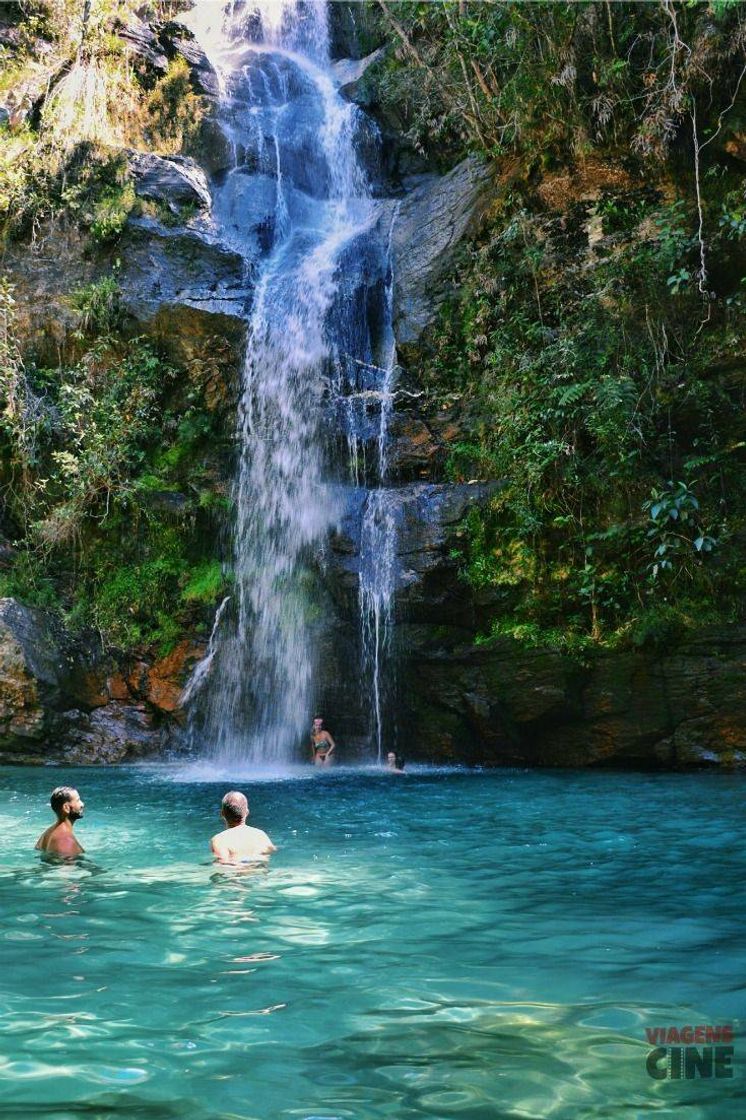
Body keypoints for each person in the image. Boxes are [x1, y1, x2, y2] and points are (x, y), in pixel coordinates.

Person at [210, 791, 276, 864]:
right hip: (260, 873)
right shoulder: (261, 835)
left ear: (222, 814)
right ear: (247, 812)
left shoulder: (219, 840)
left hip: (237, 873)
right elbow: (272, 851)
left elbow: (223, 864)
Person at [35, 786, 85, 858]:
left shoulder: (47, 833)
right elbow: (66, 868)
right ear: (66, 808)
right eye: (78, 800)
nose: (82, 804)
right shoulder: (65, 840)